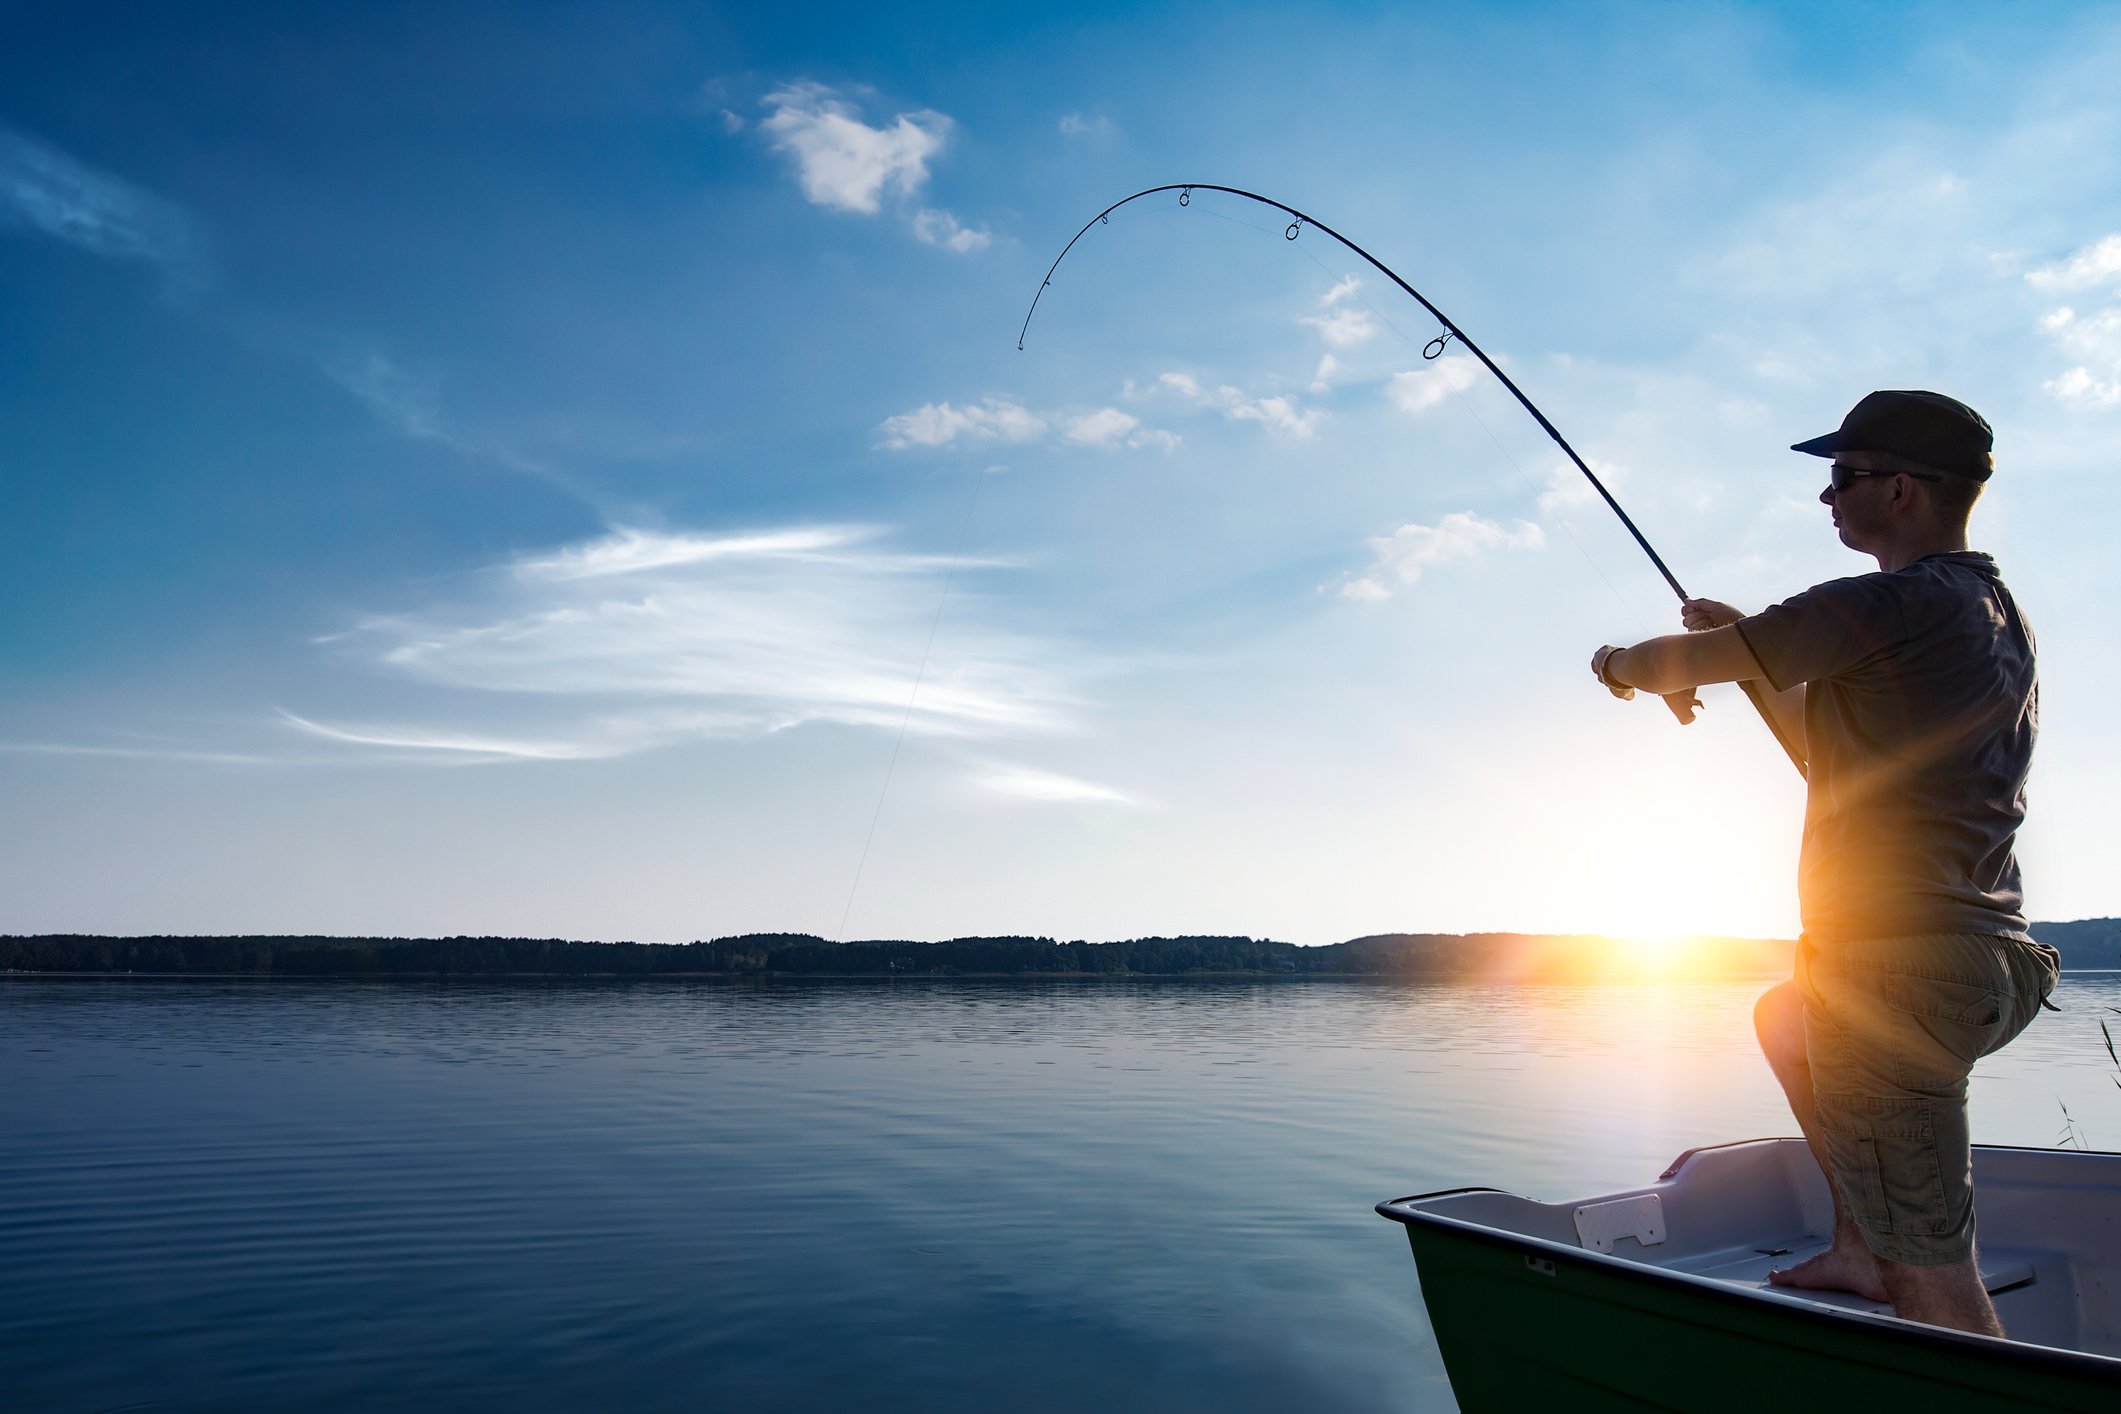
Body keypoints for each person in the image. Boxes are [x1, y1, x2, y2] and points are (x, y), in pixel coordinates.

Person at [1586, 389, 2058, 1337]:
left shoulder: (1884, 602)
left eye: (1840, 477)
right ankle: (1855, 1246)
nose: (1825, 498)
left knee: (1938, 1284)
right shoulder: (1989, 612)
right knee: (1790, 1019)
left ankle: (1932, 1322)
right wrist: (1748, 658)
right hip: (1989, 964)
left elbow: (1664, 661)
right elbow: (1824, 748)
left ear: (1900, 490)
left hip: (1897, 971)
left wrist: (1621, 663)